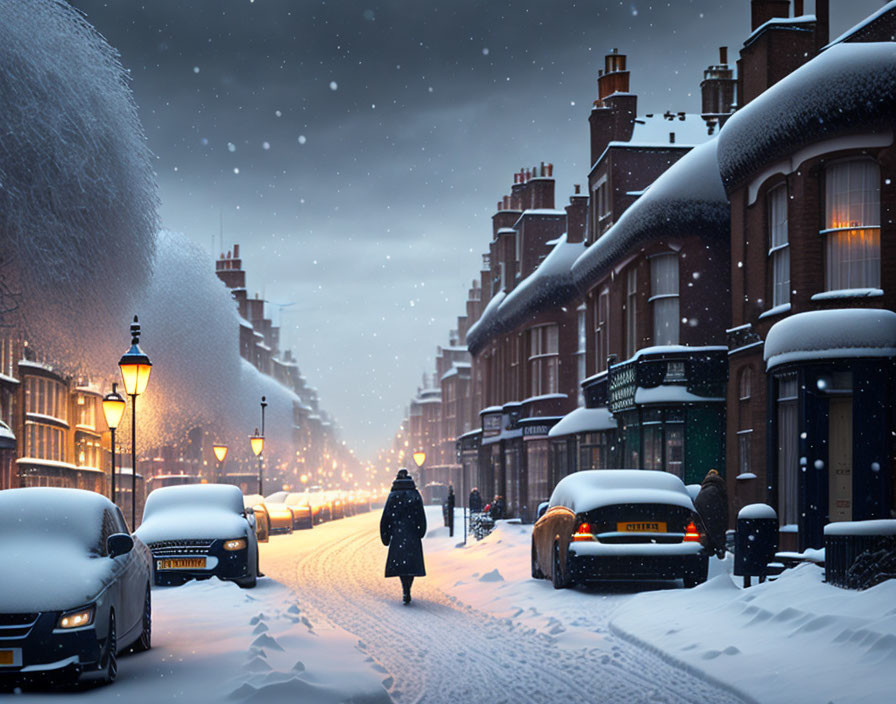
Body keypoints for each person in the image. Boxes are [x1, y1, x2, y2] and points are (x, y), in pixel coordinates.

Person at [380, 469, 427, 604]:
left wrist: (386, 536)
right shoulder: (415, 494)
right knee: (411, 565)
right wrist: (420, 531)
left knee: (401, 565)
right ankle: (408, 587)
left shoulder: (393, 496)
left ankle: (405, 588)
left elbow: (386, 518)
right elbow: (421, 515)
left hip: (398, 535)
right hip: (412, 535)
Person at [694, 468, 728, 559]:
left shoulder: (705, 491)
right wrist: (720, 545)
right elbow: (716, 521)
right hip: (709, 526)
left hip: (703, 525)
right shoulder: (715, 492)